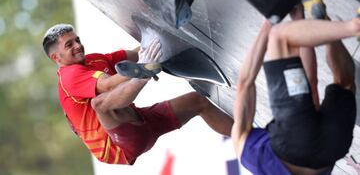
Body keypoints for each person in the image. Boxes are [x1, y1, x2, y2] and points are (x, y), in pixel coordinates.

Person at [42, 24, 233, 165]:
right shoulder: (69, 76)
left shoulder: (94, 59)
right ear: (56, 57)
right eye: (69, 45)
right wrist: (140, 69)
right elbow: (108, 85)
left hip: (139, 122)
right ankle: (142, 76)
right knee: (99, 104)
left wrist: (158, 36)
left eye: (77, 40)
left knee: (197, 101)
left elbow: (136, 52)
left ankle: (250, 138)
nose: (78, 45)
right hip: (119, 146)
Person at [231, 0, 359, 175]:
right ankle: (354, 26)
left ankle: (321, 19)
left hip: (331, 151)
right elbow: (244, 83)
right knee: (280, 38)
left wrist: (299, 21)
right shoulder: (247, 153)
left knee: (345, 83)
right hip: (292, 146)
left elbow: (309, 90)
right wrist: (269, 21)